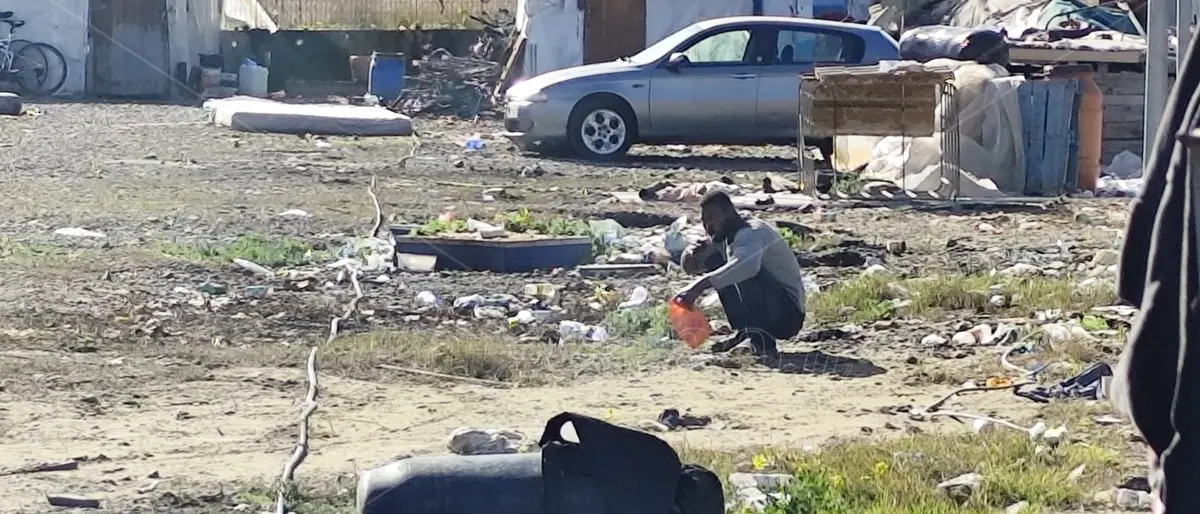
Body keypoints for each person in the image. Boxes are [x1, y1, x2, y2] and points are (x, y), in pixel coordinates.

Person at [674, 191, 806, 358]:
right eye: (704, 221)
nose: (709, 226)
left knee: (741, 269)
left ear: (729, 213)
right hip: (772, 308)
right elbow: (690, 268)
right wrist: (692, 253)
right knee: (716, 263)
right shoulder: (723, 234)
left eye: (713, 218)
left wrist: (699, 287)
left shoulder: (751, 232)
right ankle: (745, 332)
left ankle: (760, 341)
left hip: (787, 315)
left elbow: (747, 267)